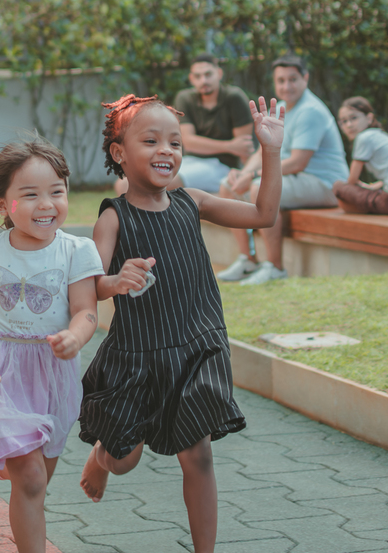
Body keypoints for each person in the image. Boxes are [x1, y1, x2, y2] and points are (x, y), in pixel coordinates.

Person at [79, 92, 284, 553]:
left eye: (174, 142)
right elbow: (88, 285)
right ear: (119, 154)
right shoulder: (113, 218)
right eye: (150, 141)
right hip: (138, 355)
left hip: (196, 346)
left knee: (199, 455)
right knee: (123, 459)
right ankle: (101, 457)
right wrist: (116, 280)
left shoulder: (192, 201)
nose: (166, 150)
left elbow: (263, 215)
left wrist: (270, 150)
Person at [0, 136, 104, 553]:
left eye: (57, 192)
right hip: (0, 366)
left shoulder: (77, 251)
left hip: (53, 371)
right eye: (30, 195)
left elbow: (87, 310)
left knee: (38, 479)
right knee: (31, 478)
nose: (47, 204)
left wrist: (76, 335)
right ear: (3, 204)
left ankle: (0, 467)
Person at [218, 53, 347, 285]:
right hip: (297, 178)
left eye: (293, 79)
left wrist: (254, 176)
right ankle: (248, 260)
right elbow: (261, 151)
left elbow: (298, 162)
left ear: (305, 78)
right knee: (227, 187)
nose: (287, 86)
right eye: (281, 80)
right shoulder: (285, 108)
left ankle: (276, 267)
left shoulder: (310, 111)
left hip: (324, 184)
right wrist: (243, 172)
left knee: (260, 188)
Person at [113, 54, 254, 199]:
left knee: (159, 182)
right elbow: (188, 142)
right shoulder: (185, 98)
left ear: (219, 73)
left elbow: (243, 147)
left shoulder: (234, 98)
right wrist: (229, 146)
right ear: (191, 79)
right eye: (198, 76)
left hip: (222, 166)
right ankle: (136, 221)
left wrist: (243, 174)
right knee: (124, 183)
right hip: (188, 161)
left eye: (208, 74)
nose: (203, 80)